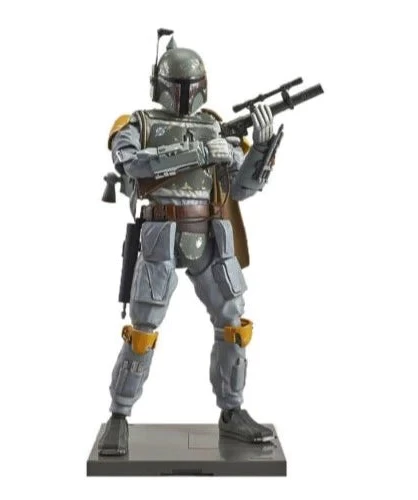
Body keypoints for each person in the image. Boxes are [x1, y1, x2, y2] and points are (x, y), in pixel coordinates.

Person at [98, 35, 281, 456]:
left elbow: (242, 188)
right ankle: (118, 416)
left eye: (191, 86)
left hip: (210, 234)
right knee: (143, 327)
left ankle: (232, 411)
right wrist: (198, 152)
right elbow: (132, 165)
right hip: (160, 235)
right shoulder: (137, 124)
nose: (186, 94)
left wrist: (262, 150)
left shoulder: (216, 126)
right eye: (180, 86)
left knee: (233, 321)